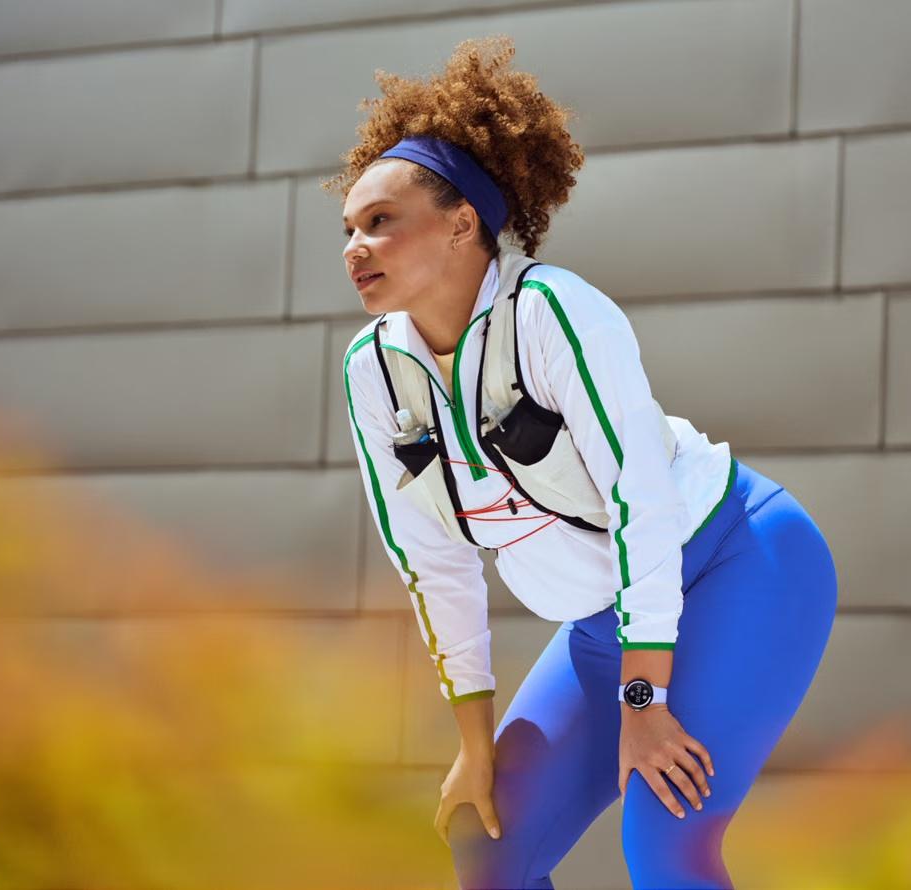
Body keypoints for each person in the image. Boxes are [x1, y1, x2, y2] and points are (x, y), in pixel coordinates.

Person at [322, 35, 837, 890]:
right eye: (348, 228)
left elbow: (642, 503)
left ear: (462, 224)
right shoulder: (372, 370)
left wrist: (645, 702)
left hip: (740, 563)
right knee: (489, 849)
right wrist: (474, 747)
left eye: (381, 221)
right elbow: (432, 562)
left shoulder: (553, 312)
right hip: (606, 625)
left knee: (664, 842)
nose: (354, 245)